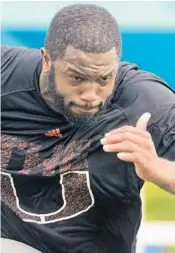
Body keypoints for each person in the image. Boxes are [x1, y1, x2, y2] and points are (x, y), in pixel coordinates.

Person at [1, 4, 175, 253]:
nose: (91, 95)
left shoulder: (145, 103)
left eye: (104, 79)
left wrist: (159, 168)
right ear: (47, 60)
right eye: (77, 77)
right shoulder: (5, 77)